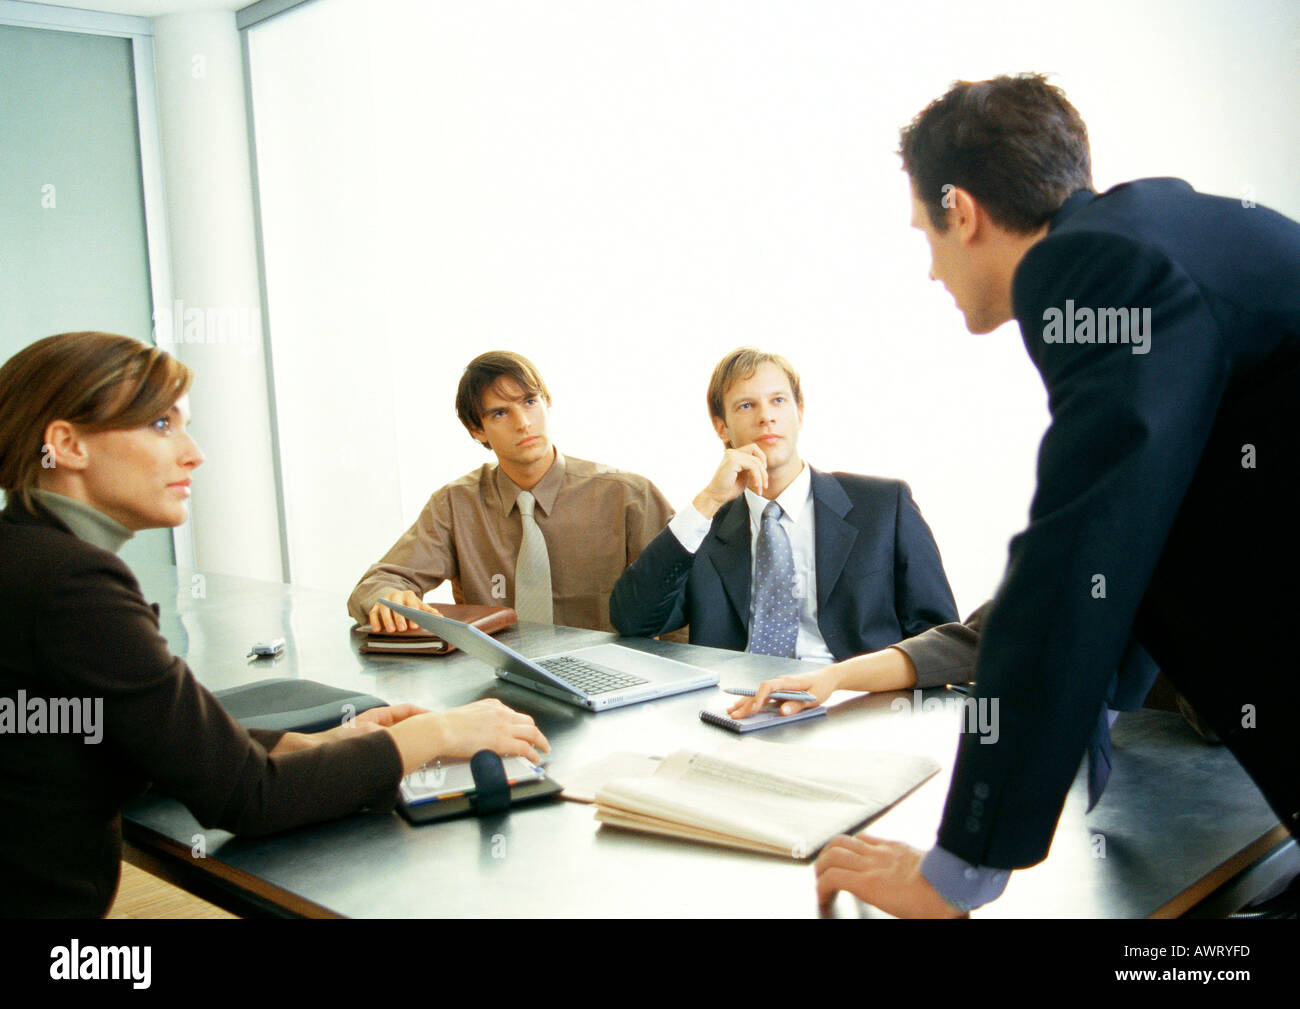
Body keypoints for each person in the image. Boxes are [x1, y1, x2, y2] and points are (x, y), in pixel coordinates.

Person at [806, 73, 1299, 917]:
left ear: (961, 210)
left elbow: (1078, 553)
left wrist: (961, 865)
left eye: (925, 231)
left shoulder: (1093, 269)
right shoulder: (1155, 235)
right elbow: (1146, 526)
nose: (930, 267)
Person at [0, 332, 549, 917]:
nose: (193, 453)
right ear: (67, 445)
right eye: (161, 425)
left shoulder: (27, 557)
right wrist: (434, 736)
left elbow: (135, 738)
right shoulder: (73, 585)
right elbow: (246, 797)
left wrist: (311, 742)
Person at [609, 347, 958, 662]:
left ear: (799, 413)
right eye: (746, 405)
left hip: (854, 700)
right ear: (722, 428)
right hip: (733, 707)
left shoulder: (883, 505)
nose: (766, 417)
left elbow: (941, 639)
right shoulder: (705, 527)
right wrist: (708, 501)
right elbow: (633, 620)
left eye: (778, 401)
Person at [348, 350, 673, 634]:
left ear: (546, 403)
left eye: (529, 402)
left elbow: (684, 601)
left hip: (611, 681)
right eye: (500, 413)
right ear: (478, 430)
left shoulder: (629, 496)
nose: (523, 423)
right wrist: (391, 598)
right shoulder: (455, 504)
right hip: (494, 684)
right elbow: (378, 584)